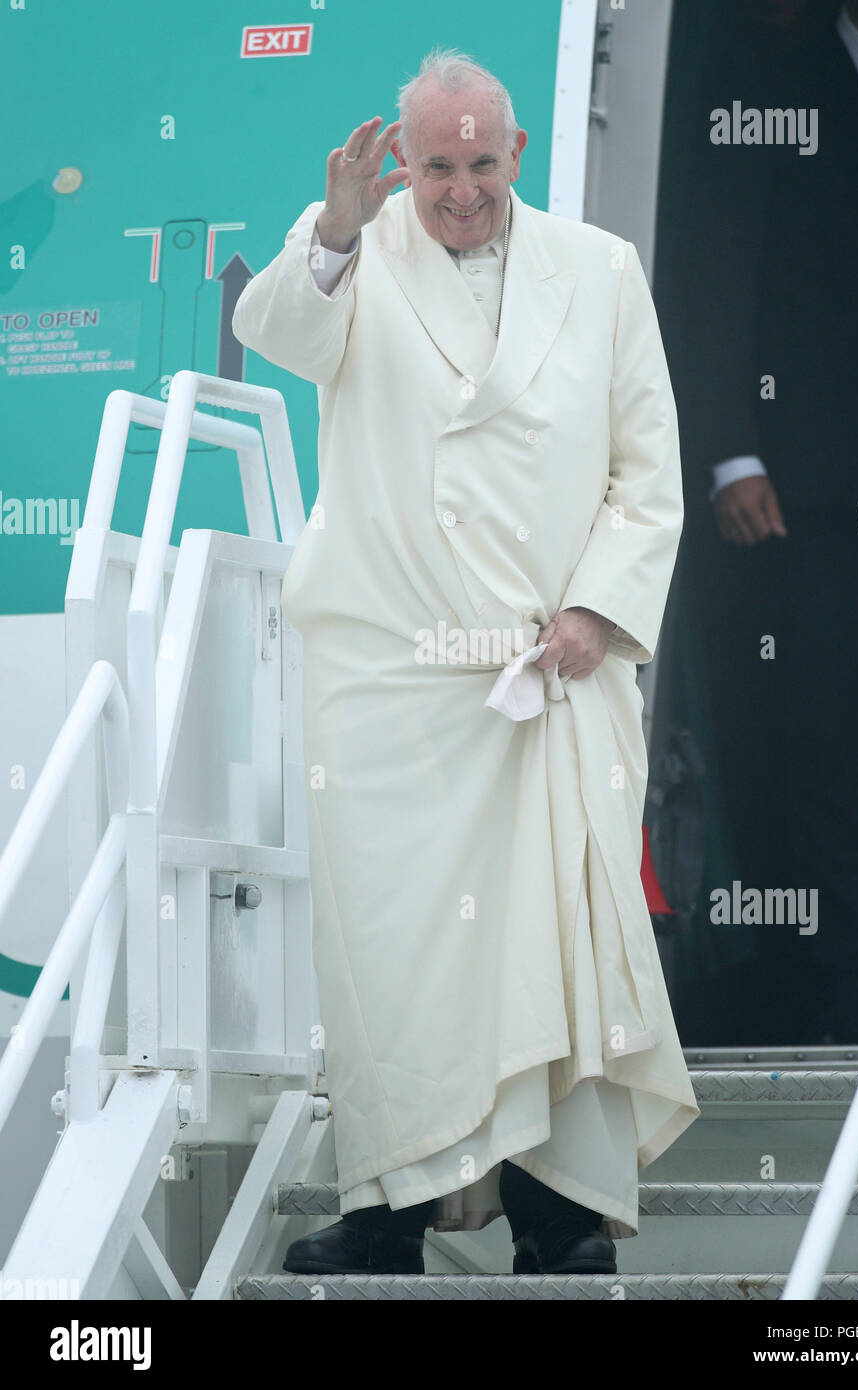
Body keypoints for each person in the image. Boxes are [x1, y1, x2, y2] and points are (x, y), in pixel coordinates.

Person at [232, 48, 698, 1277]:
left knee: (549, 941)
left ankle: (556, 1210)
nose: (455, 192)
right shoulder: (350, 245)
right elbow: (274, 331)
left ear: (516, 156)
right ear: (404, 158)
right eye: (433, 166)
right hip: (393, 675)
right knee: (396, 954)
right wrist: (332, 227)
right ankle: (390, 1208)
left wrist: (596, 612)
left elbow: (645, 472)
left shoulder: (601, 271)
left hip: (552, 666)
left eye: (479, 165)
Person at [694, 0, 858, 1042]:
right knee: (828, 739)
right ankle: (854, 1004)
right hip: (810, 489)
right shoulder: (770, 89)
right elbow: (714, 274)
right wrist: (729, 446)